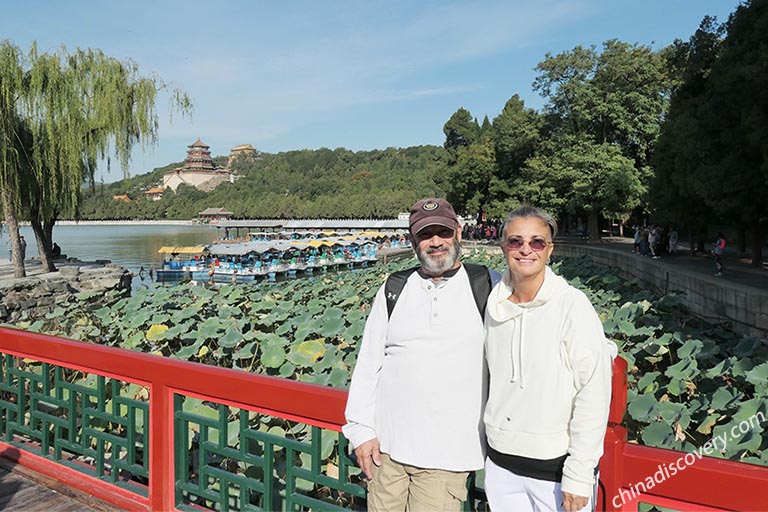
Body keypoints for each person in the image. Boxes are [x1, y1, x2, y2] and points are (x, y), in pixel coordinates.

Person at [344, 198, 493, 512]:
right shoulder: (394, 287)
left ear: (459, 233)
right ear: (413, 241)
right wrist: (360, 430)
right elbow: (369, 362)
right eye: (426, 234)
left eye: (443, 232)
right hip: (386, 452)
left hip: (447, 457)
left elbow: (540, 310)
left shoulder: (487, 284)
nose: (435, 241)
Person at [483, 206, 614, 512]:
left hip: (555, 471)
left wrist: (579, 474)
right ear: (503, 247)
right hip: (501, 465)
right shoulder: (492, 304)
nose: (525, 249)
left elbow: (593, 391)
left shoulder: (572, 305)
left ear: (549, 249)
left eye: (537, 242)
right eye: (515, 241)